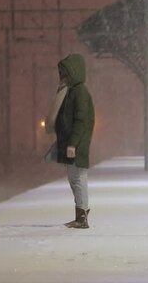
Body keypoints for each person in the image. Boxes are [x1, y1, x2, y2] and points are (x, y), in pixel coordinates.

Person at [46, 53, 95, 229]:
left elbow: (80, 121)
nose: (61, 76)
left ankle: (82, 217)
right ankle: (81, 214)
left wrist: (73, 143)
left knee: (78, 179)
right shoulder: (72, 91)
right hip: (71, 142)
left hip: (76, 143)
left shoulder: (79, 92)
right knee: (75, 179)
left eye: (64, 73)